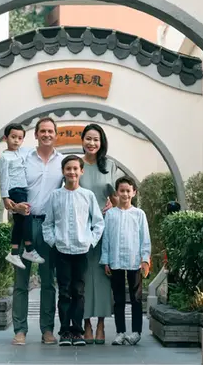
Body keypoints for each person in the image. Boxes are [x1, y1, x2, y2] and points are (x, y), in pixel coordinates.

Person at [10, 117, 64, 346]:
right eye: (43, 131)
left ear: (55, 135)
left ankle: (47, 329)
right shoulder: (24, 158)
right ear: (36, 134)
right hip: (24, 223)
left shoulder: (62, 162)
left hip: (49, 226)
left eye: (50, 131)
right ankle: (20, 330)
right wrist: (12, 204)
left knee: (48, 280)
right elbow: (11, 184)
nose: (46, 135)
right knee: (21, 279)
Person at [42, 155, 105, 347]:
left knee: (78, 291)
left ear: (81, 171)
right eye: (68, 168)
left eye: (75, 169)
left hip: (81, 251)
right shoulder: (55, 196)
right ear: (63, 171)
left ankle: (77, 332)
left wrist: (90, 242)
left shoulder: (87, 195)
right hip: (61, 250)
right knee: (64, 292)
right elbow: (48, 224)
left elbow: (98, 223)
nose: (72, 172)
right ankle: (65, 331)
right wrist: (53, 242)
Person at [100, 176, 151, 346]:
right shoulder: (110, 215)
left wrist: (145, 259)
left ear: (134, 192)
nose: (125, 194)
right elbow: (106, 239)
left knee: (136, 298)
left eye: (128, 191)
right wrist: (106, 260)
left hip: (134, 261)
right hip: (115, 261)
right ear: (117, 192)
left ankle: (136, 332)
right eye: (122, 191)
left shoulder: (139, 214)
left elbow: (145, 239)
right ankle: (120, 332)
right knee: (119, 299)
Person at [79, 124, 117, 344]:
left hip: (104, 228)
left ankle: (101, 324)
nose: (92, 143)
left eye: (96, 139)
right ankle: (86, 324)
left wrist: (113, 204)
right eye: (88, 138)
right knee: (82, 276)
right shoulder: (77, 165)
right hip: (80, 230)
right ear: (82, 140)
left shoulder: (109, 165)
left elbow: (118, 196)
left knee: (103, 276)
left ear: (101, 143)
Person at [0, 123, 45, 269]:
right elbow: (3, 178)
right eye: (13, 137)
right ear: (5, 138)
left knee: (19, 222)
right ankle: (29, 249)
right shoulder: (4, 158)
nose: (16, 141)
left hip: (23, 190)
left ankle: (14, 252)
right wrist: (5, 197)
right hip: (15, 190)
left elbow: (36, 150)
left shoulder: (23, 152)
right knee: (27, 215)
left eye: (20, 138)